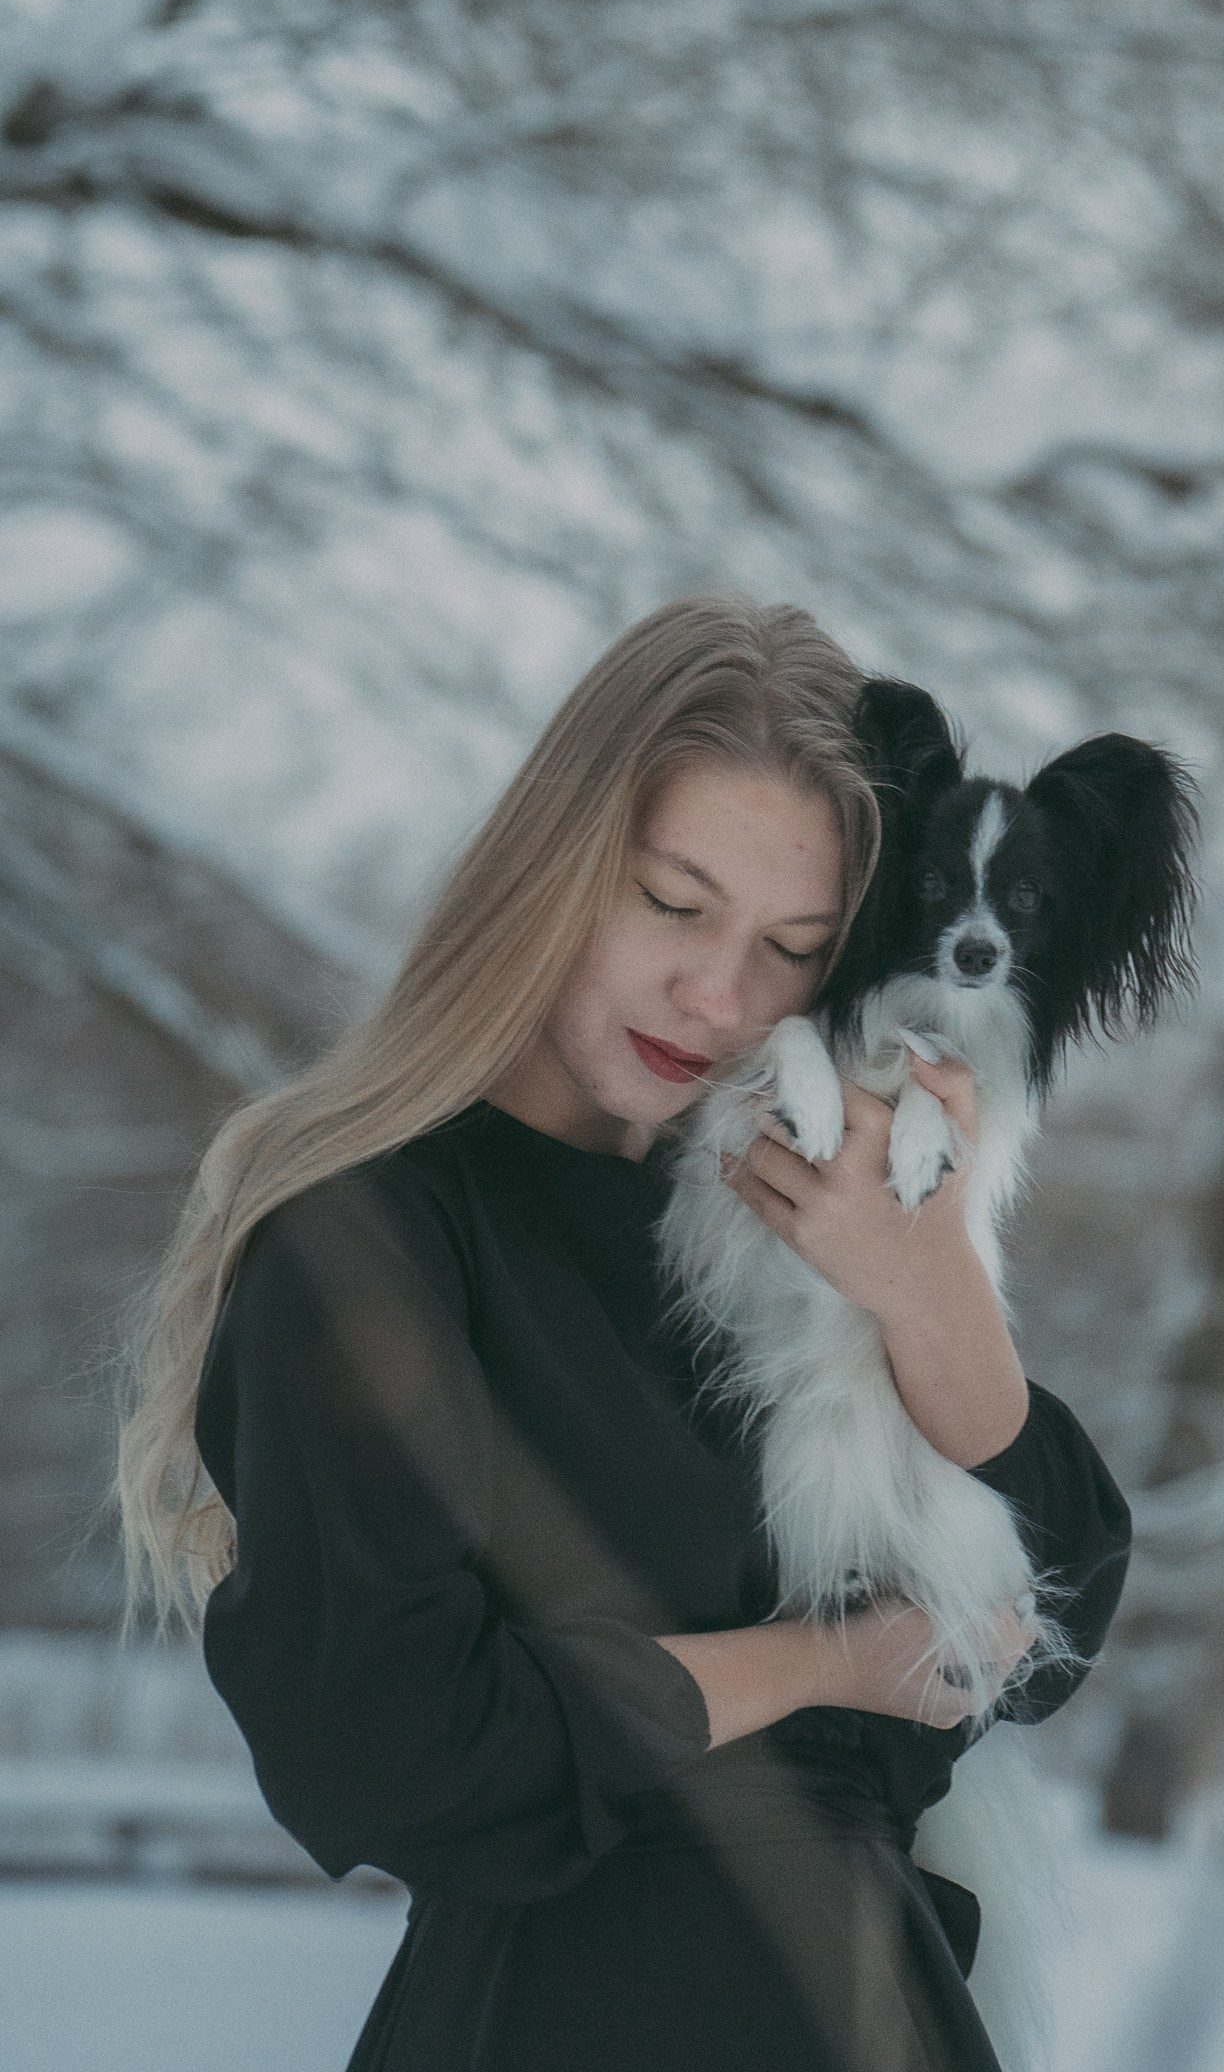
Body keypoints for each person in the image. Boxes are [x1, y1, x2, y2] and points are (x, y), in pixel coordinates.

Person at [118, 598, 1131, 2072]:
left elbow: (1049, 1622)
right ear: (556, 870)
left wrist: (929, 1292)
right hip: (566, 2016)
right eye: (671, 903)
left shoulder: (776, 1209)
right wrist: (821, 1667)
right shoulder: (374, 1240)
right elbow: (398, 1757)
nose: (718, 997)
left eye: (791, 946)